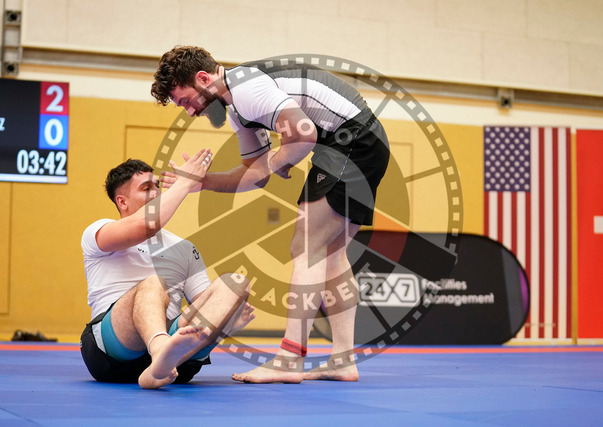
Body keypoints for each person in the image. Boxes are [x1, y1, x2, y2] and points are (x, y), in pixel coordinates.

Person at [151, 46, 390, 383]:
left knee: (305, 248)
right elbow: (256, 175)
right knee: (331, 255)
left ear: (203, 79)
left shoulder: (247, 89)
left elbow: (303, 135)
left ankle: (289, 359)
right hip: (358, 142)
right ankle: (342, 360)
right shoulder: (238, 108)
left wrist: (281, 159)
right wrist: (202, 182)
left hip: (352, 141)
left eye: (186, 101)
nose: (190, 112)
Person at [80, 151, 255, 389]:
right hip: (114, 349)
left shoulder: (184, 248)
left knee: (235, 283)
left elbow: (203, 307)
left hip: (178, 355)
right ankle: (160, 350)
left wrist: (226, 321)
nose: (156, 193)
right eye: (146, 188)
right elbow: (146, 226)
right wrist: (185, 183)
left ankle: (162, 365)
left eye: (157, 186)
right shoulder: (99, 231)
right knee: (154, 283)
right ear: (122, 202)